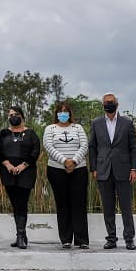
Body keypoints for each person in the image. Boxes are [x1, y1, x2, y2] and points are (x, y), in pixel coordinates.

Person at [88, 92, 136, 251]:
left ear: (116, 104)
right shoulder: (96, 123)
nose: (108, 104)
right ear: (103, 105)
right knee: (108, 207)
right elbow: (92, 147)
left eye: (111, 102)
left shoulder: (127, 123)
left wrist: (134, 168)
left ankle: (129, 239)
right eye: (106, 102)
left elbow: (134, 148)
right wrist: (94, 168)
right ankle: (111, 238)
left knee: (126, 206)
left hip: (124, 170)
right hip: (103, 170)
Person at [42, 101, 89, 249]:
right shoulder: (50, 129)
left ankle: (82, 240)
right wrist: (64, 161)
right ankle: (66, 239)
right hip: (56, 169)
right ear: (56, 114)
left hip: (79, 169)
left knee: (79, 204)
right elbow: (48, 146)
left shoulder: (78, 128)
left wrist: (74, 161)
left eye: (66, 111)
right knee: (62, 204)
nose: (63, 114)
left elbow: (85, 145)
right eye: (60, 112)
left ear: (70, 114)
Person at [0, 105, 39, 249]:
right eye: (10, 114)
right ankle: (22, 234)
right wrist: (8, 165)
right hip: (8, 172)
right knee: (14, 203)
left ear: (22, 116)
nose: (13, 116)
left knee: (22, 203)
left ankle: (20, 237)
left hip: (26, 172)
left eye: (16, 114)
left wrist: (23, 165)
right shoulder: (3, 134)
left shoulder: (31, 133)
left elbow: (35, 152)